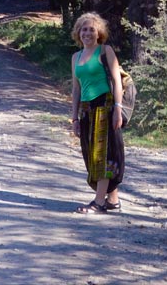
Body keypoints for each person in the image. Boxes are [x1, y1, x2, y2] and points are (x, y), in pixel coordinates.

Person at [69, 12, 125, 214]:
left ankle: (99, 203)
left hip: (105, 106)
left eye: (92, 29)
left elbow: (118, 82)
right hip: (86, 109)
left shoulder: (105, 51)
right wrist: (74, 117)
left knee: (103, 154)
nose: (87, 33)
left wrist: (118, 109)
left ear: (99, 32)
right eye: (84, 29)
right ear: (78, 32)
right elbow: (76, 89)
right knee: (92, 155)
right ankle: (113, 200)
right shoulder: (75, 57)